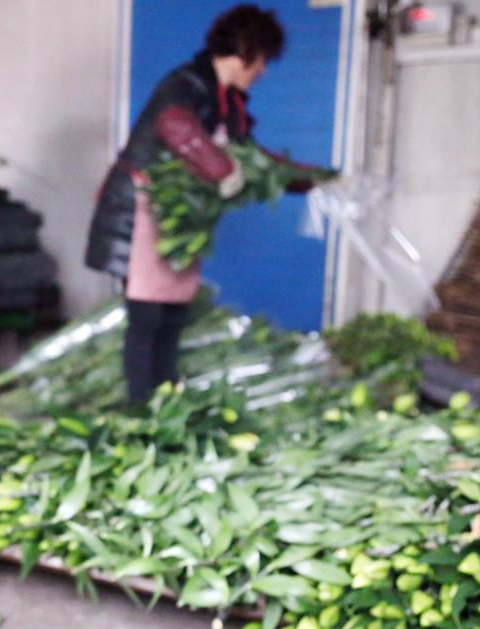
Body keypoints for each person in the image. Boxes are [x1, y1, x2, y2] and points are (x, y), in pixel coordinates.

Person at [85, 5, 323, 406]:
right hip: (147, 212)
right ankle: (142, 412)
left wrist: (315, 182)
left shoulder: (226, 101)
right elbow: (175, 126)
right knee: (148, 317)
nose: (262, 71)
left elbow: (255, 160)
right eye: (263, 60)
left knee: (173, 314)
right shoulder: (188, 84)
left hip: (179, 225)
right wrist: (219, 168)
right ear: (247, 51)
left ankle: (166, 401)